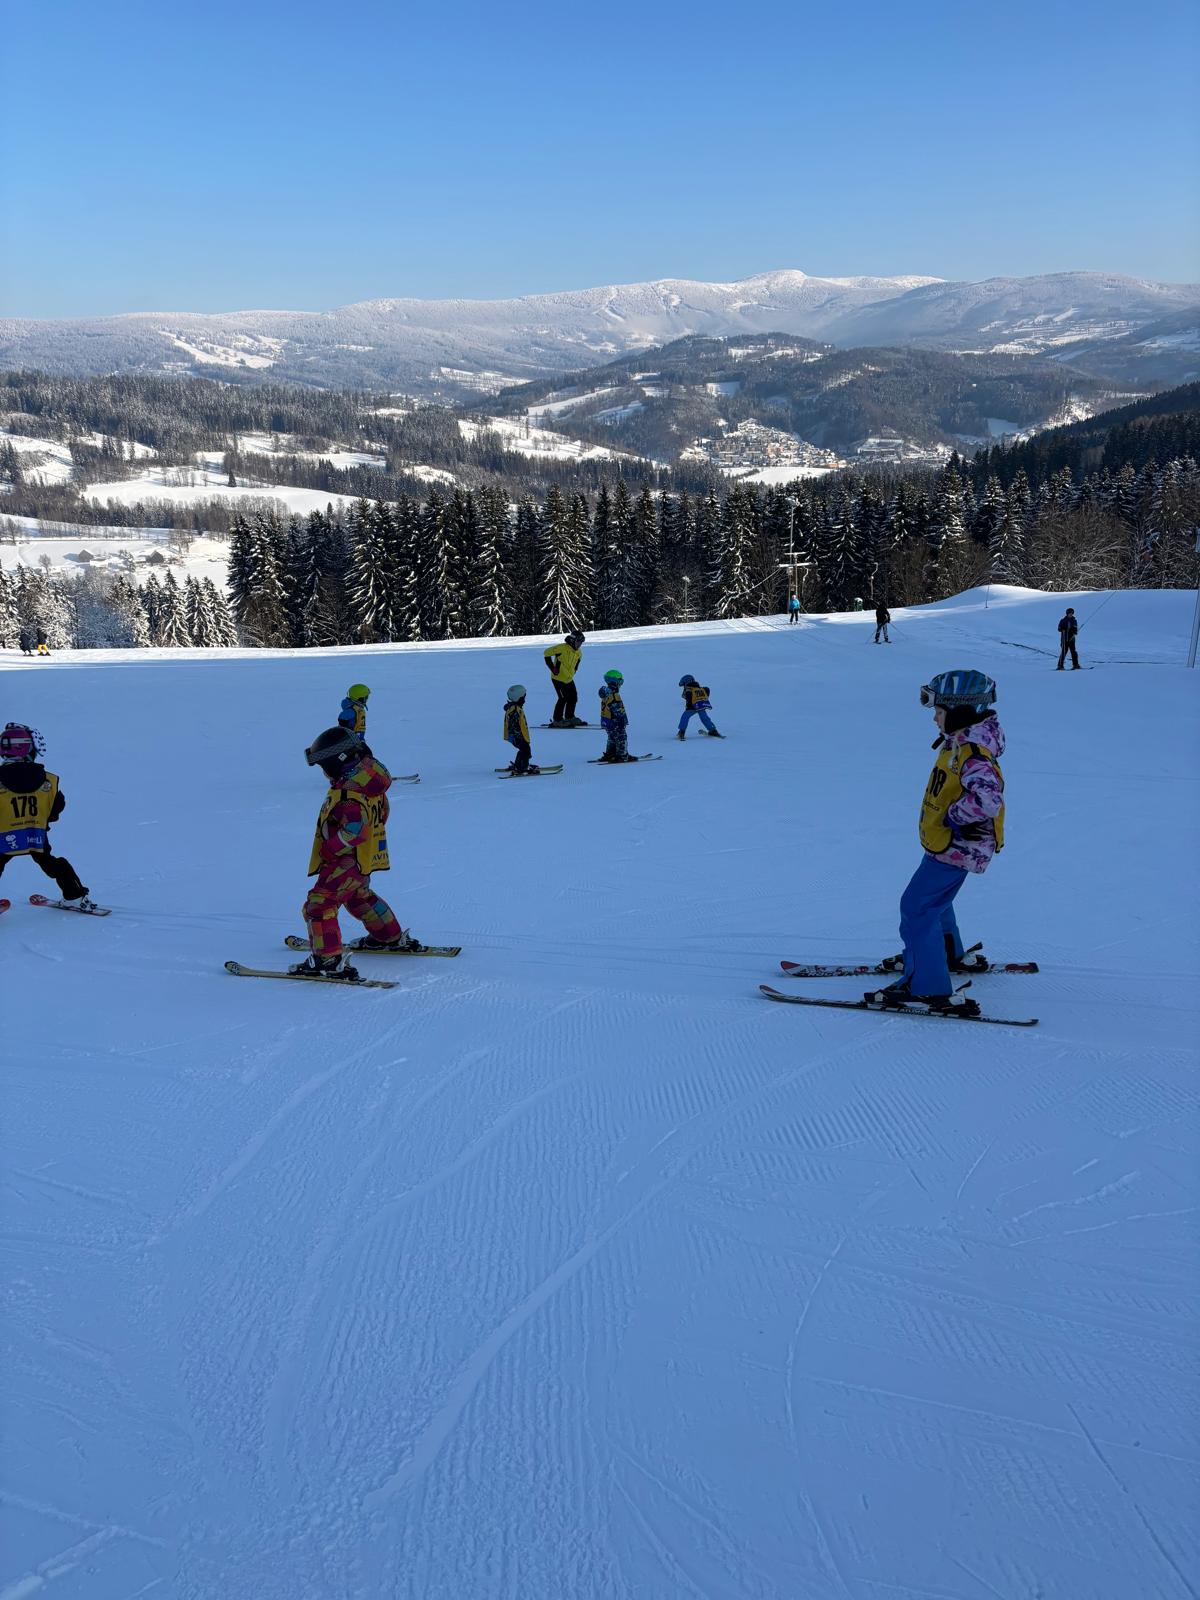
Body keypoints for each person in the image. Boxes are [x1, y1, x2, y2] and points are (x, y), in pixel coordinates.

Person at [866, 670, 1006, 1018]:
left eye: (939, 711)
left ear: (959, 712)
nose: (934, 718)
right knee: (935, 902)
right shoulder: (960, 741)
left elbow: (989, 800)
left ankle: (927, 986)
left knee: (917, 907)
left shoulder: (972, 752)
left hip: (958, 845)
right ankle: (943, 954)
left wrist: (953, 815)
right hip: (950, 844)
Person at [290, 726, 418, 979]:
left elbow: (355, 832)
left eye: (324, 767)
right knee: (358, 896)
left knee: (320, 904)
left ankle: (327, 959)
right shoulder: (369, 786)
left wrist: (331, 847)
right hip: (363, 859)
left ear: (336, 763)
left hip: (344, 860)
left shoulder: (349, 796)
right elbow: (382, 814)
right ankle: (388, 936)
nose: (324, 773)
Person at [0, 723, 95, 909]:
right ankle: (74, 895)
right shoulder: (48, 780)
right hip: (35, 834)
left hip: (3, 837)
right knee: (51, 863)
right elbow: (57, 804)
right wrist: (46, 818)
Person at [544, 632, 585, 725]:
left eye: (581, 642)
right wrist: (553, 668)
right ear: (572, 640)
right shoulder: (561, 648)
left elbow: (577, 663)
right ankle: (557, 720)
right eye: (578, 642)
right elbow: (546, 653)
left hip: (568, 678)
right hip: (557, 678)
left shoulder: (579, 653)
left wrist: (574, 670)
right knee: (563, 698)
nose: (580, 644)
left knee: (573, 697)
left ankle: (569, 717)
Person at [502, 685, 540, 776]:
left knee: (523, 750)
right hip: (517, 736)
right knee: (526, 751)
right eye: (523, 698)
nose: (524, 700)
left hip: (517, 736)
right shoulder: (514, 711)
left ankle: (519, 765)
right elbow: (513, 726)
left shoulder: (515, 708)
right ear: (518, 698)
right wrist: (518, 736)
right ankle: (523, 768)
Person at [598, 669, 633, 762]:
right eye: (620, 682)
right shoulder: (614, 695)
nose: (621, 685)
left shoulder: (606, 694)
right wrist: (622, 722)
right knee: (621, 737)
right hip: (615, 722)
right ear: (615, 682)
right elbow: (618, 710)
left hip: (607, 721)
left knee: (612, 738)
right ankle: (622, 755)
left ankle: (610, 753)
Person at [676, 675, 721, 740]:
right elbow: (707, 689)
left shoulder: (689, 689)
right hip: (701, 706)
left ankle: (681, 732)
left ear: (687, 682)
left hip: (692, 707)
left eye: (684, 685)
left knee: (685, 717)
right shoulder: (700, 688)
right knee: (705, 718)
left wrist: (688, 707)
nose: (684, 687)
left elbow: (689, 699)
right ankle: (713, 730)